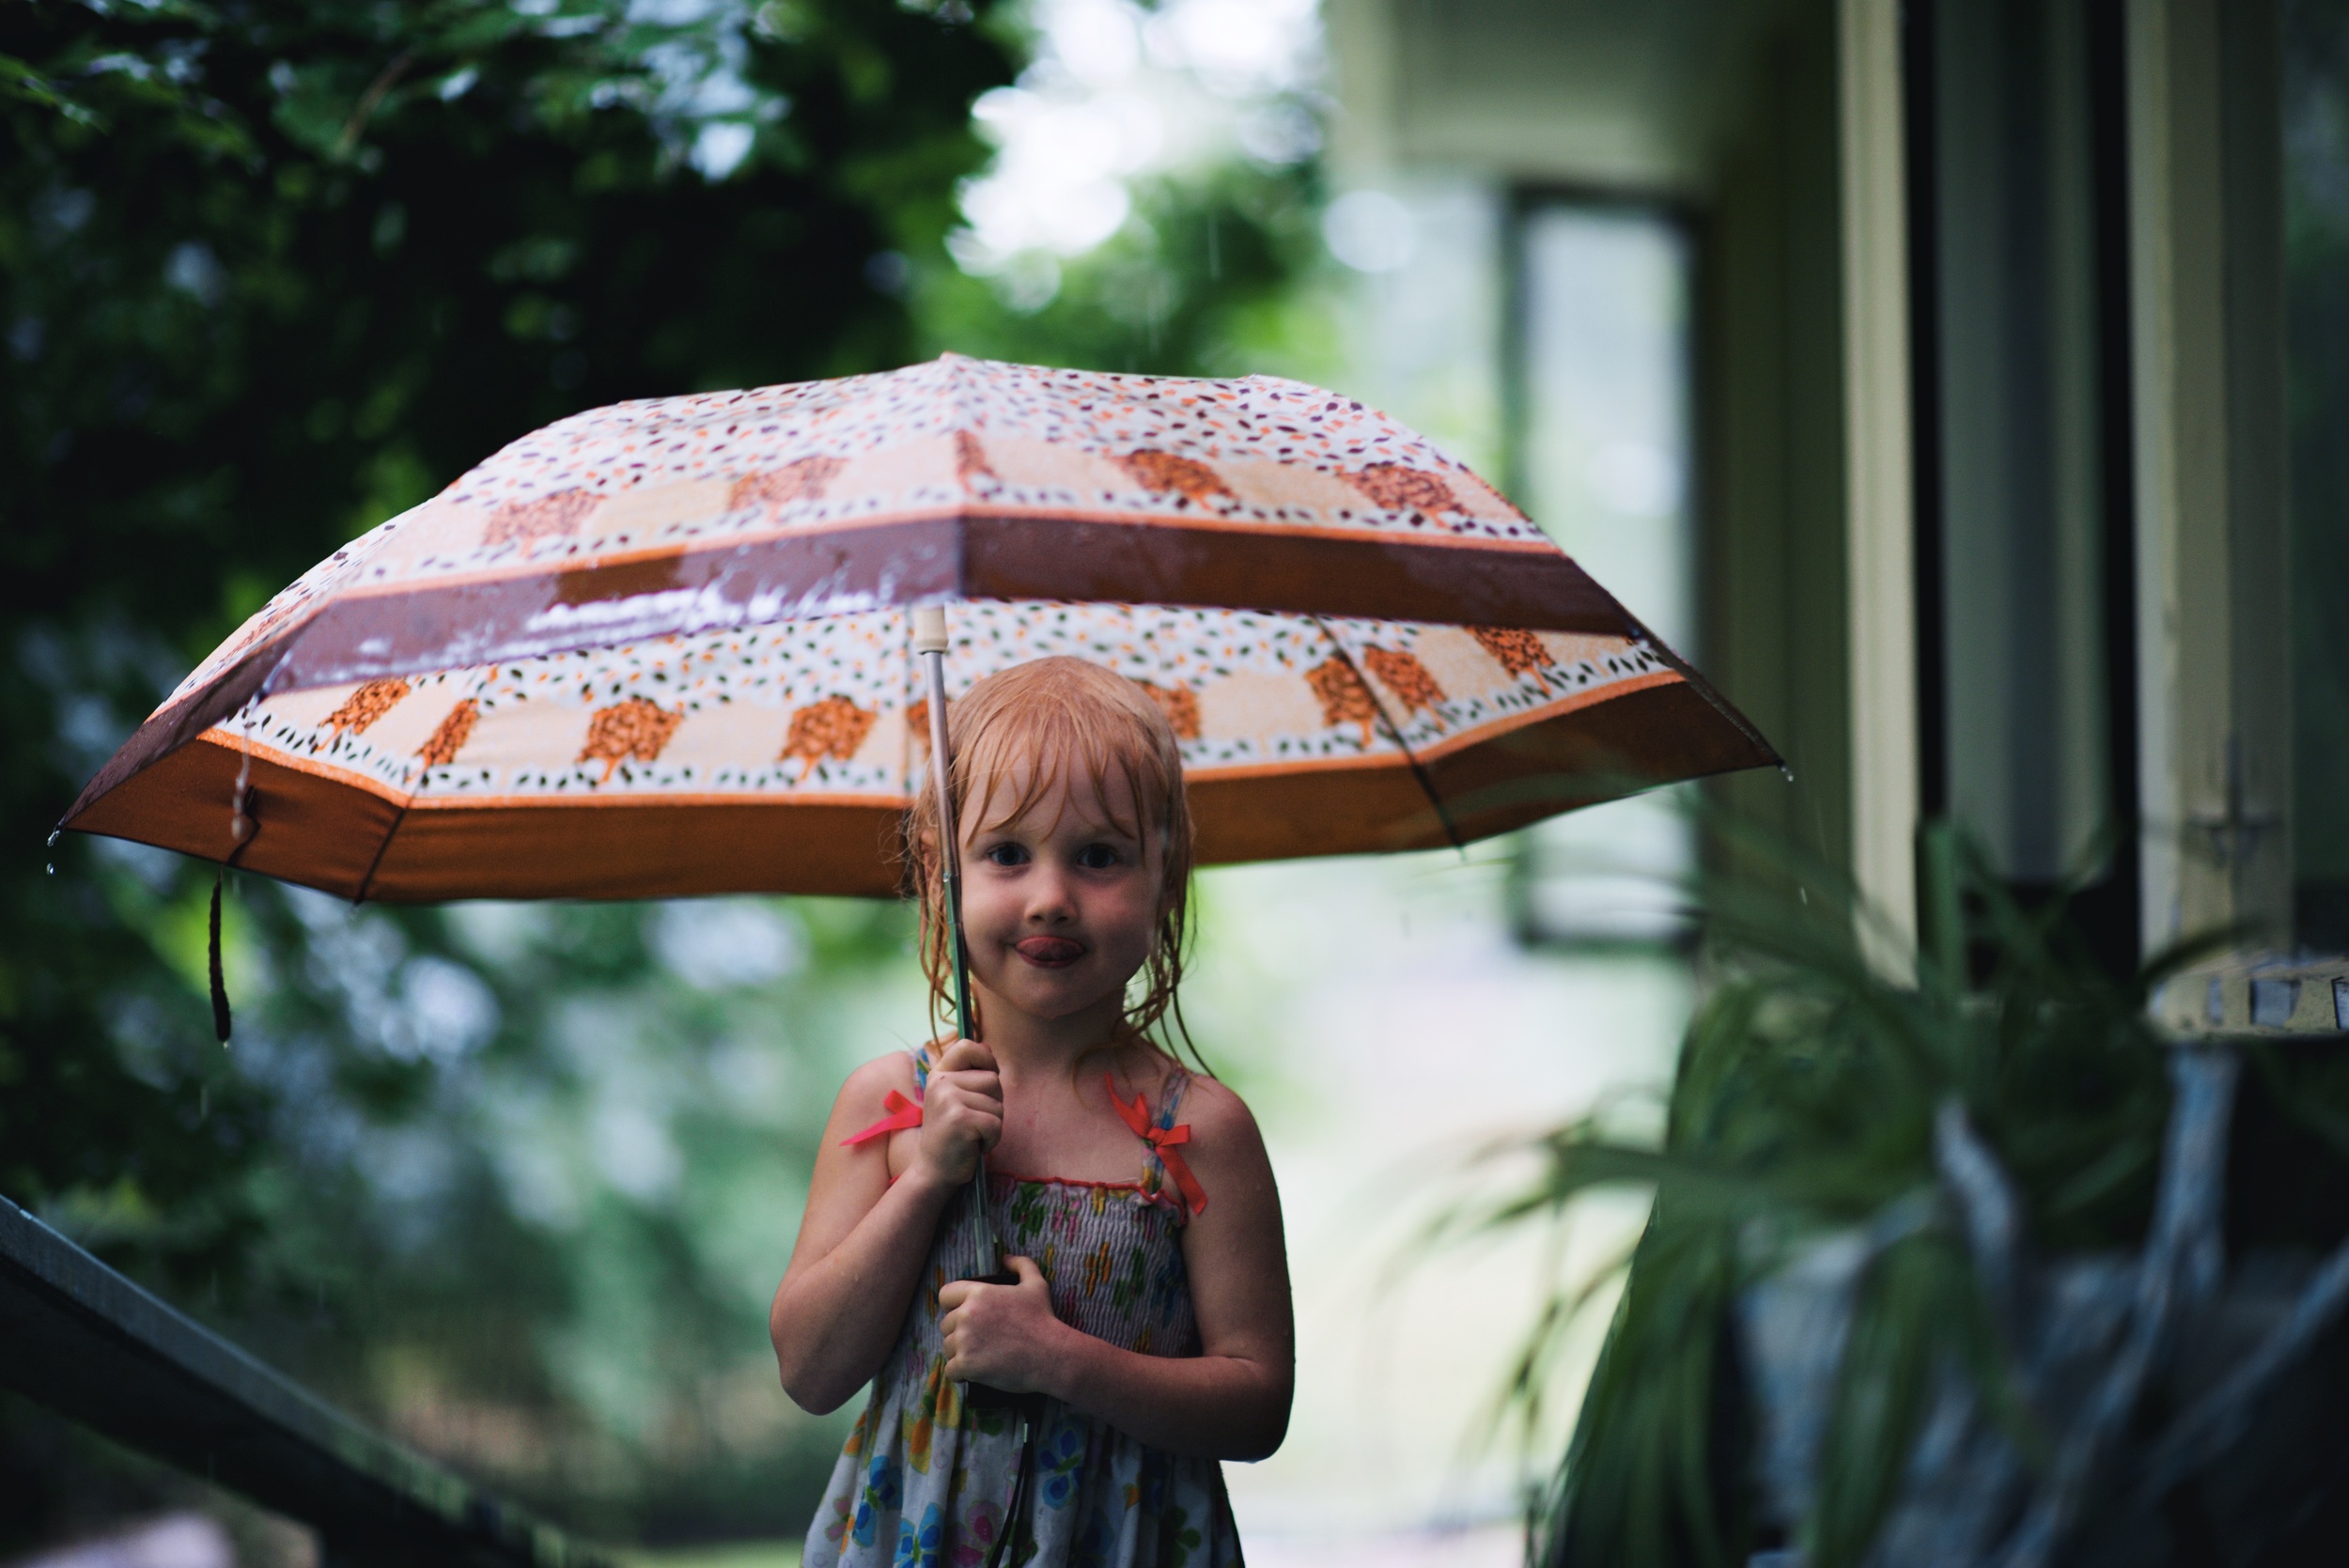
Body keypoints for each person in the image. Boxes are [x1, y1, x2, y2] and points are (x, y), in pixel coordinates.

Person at [773, 657, 1293, 1568]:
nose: (1051, 894)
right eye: (1007, 852)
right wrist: (927, 1176)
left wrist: (1058, 1358)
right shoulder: (890, 1105)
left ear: (1162, 873)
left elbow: (1256, 1408)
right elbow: (810, 1371)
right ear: (941, 873)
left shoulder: (1202, 1132)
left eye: (1097, 855)